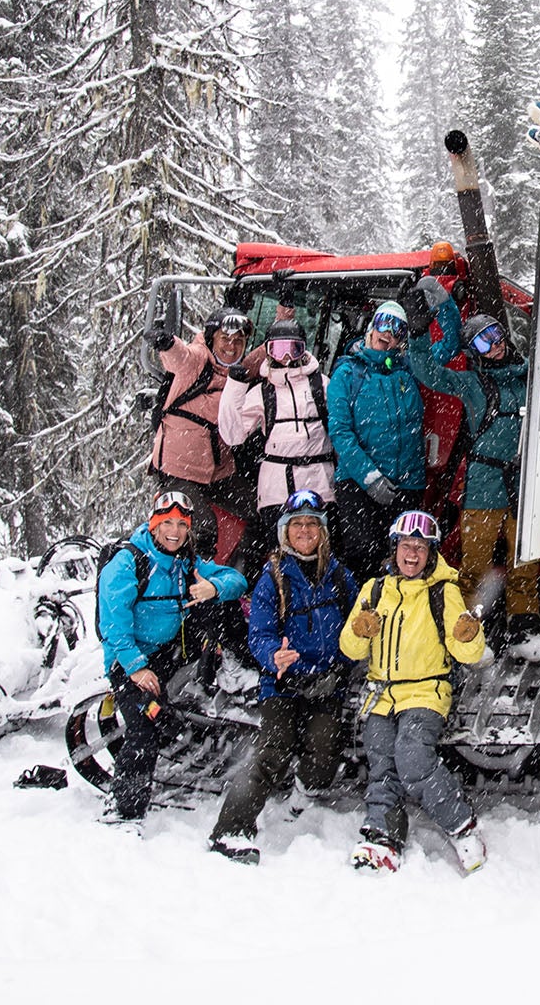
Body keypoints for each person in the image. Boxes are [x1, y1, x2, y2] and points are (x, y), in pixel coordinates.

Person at [206, 490, 356, 864]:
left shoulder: (339, 574)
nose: (304, 531)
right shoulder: (273, 578)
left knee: (325, 749)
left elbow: (358, 622)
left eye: (311, 524)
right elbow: (258, 633)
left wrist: (346, 655)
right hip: (283, 683)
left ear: (322, 531)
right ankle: (231, 831)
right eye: (297, 525)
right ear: (284, 532)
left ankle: (304, 796)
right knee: (272, 751)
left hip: (327, 682)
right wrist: (273, 656)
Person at [338, 510, 488, 875]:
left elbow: (467, 652)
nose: (412, 554)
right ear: (395, 548)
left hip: (425, 691)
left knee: (412, 758)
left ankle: (461, 825)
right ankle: (382, 835)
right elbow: (350, 649)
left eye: (420, 548)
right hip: (382, 693)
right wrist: (360, 630)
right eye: (406, 545)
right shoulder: (374, 589)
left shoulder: (443, 591)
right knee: (382, 763)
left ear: (431, 553)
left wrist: (469, 634)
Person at [95, 488, 251, 825]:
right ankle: (124, 811)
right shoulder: (127, 563)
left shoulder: (186, 561)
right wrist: (136, 669)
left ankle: (228, 676)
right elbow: (113, 626)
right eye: (167, 523)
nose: (175, 531)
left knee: (219, 607)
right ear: (153, 525)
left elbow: (237, 580)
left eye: (182, 524)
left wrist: (213, 588)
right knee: (144, 729)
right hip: (129, 658)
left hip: (169, 652)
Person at [403, 280, 540, 656]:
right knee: (475, 560)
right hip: (484, 481)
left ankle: (523, 627)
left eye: (495, 335)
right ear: (473, 351)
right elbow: (428, 373)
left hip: (523, 479)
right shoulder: (473, 384)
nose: (494, 345)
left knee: (524, 558)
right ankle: (465, 629)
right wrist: (418, 333)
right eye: (482, 341)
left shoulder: (532, 375)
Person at [219, 318, 335, 568]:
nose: (285, 358)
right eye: (277, 350)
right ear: (269, 352)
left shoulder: (320, 384)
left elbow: (341, 421)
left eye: (293, 350)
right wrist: (234, 388)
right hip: (277, 484)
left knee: (321, 548)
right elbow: (233, 434)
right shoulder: (264, 391)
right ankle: (282, 596)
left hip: (319, 478)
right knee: (280, 550)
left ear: (303, 350)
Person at [145, 308, 260, 557]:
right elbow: (180, 357)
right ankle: (195, 582)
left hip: (218, 474)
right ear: (211, 339)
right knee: (202, 525)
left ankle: (245, 574)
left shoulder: (238, 373)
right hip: (180, 471)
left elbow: (271, 349)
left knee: (261, 508)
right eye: (225, 339)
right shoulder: (197, 361)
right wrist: (167, 343)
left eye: (239, 341)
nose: (232, 346)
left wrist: (285, 307)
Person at [326, 300, 427, 581]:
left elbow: (447, 350)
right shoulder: (347, 373)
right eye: (384, 323)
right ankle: (363, 619)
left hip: (406, 484)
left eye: (398, 329)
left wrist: (439, 311)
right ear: (371, 328)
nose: (389, 332)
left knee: (405, 560)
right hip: (359, 486)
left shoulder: (409, 371)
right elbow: (340, 432)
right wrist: (370, 478)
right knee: (364, 557)